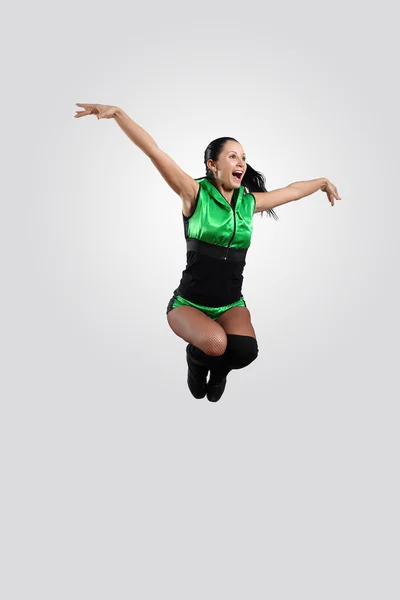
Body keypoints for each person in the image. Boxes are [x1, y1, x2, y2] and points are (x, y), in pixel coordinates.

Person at [74, 103, 342, 403]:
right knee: (215, 344)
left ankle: (219, 369)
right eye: (232, 156)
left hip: (229, 303)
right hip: (188, 303)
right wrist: (119, 115)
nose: (240, 162)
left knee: (244, 352)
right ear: (212, 165)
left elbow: (292, 191)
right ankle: (197, 358)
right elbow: (154, 151)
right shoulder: (194, 193)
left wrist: (321, 182)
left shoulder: (248, 203)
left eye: (243, 157)